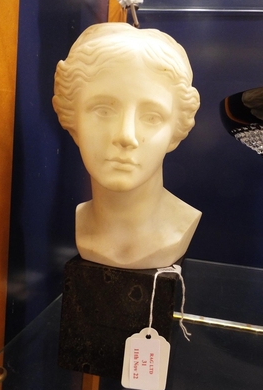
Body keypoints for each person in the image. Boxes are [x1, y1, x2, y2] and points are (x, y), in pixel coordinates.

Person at [52, 22, 201, 269]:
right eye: (103, 110)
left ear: (176, 130)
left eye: (152, 117)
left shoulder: (182, 226)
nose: (125, 135)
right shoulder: (79, 223)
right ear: (70, 115)